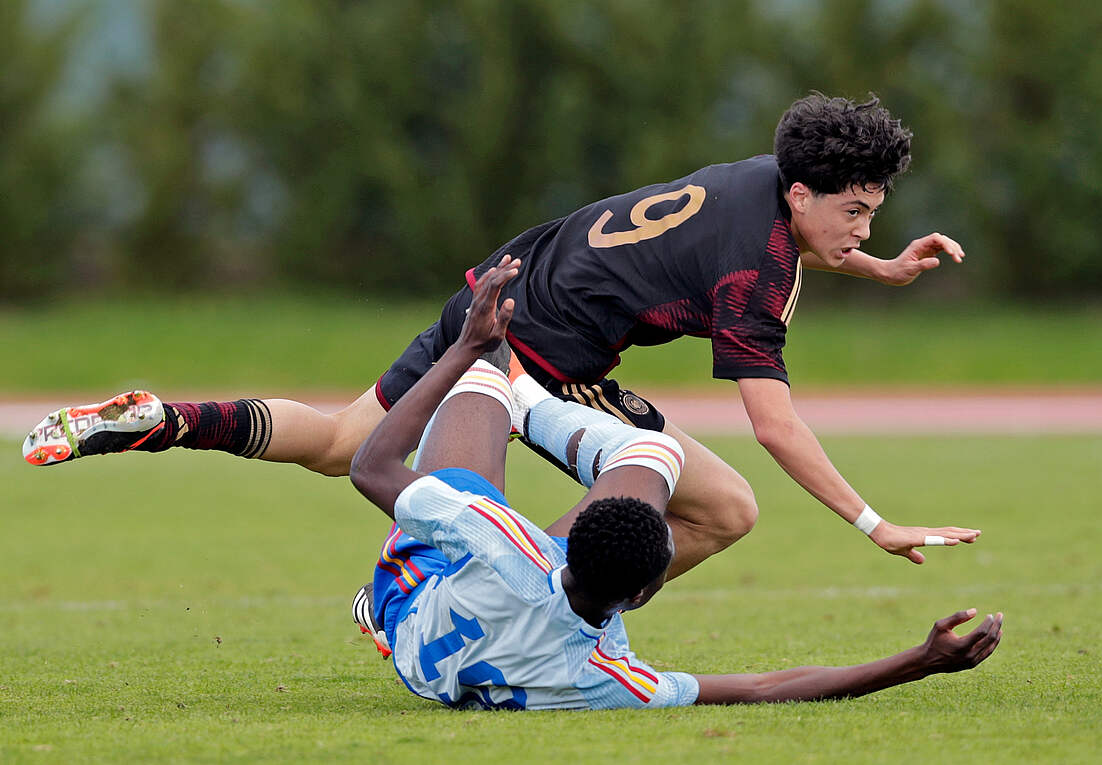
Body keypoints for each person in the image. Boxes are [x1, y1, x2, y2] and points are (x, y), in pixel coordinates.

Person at [23, 93, 978, 578]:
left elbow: (801, 242)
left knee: (341, 442)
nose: (863, 227)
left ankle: (164, 417)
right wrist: (873, 522)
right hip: (545, 356)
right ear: (805, 191)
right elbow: (776, 426)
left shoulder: (766, 180)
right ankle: (489, 599)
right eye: (855, 212)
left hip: (498, 290)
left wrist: (878, 264)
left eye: (875, 214)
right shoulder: (757, 272)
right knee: (726, 509)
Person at [349, 257, 1002, 710]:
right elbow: (761, 688)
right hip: (438, 662)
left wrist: (464, 348)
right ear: (644, 591)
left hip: (415, 589)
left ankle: (510, 389)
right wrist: (919, 660)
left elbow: (371, 467)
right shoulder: (605, 678)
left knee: (490, 370)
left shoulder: (497, 535)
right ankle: (530, 401)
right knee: (654, 455)